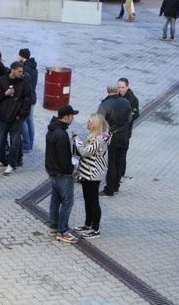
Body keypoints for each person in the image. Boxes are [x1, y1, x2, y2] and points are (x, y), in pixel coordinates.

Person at [72, 114, 111, 239]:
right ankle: (88, 224)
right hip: (86, 173)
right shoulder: (95, 137)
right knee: (87, 200)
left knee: (93, 201)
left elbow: (85, 152)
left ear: (94, 124)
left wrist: (75, 137)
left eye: (89, 121)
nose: (87, 123)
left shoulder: (99, 139)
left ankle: (95, 228)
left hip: (93, 175)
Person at [45, 104, 79, 243]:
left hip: (52, 171)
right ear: (66, 117)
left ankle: (54, 227)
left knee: (55, 199)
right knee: (67, 202)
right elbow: (64, 157)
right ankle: (63, 231)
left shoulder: (52, 129)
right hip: (62, 173)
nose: (73, 118)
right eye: (72, 116)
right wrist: (70, 171)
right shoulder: (62, 134)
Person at [0, 61, 32, 176]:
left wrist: (20, 115)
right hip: (4, 117)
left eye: (22, 71)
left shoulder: (24, 84)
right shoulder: (1, 81)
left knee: (14, 143)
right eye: (19, 71)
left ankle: (12, 164)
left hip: (16, 119)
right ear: (12, 70)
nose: (21, 73)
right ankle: (2, 160)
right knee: (1, 141)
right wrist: (6, 93)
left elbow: (27, 102)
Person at [98, 83, 132, 197]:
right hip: (124, 136)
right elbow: (129, 119)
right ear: (117, 90)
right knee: (120, 161)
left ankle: (109, 189)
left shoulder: (105, 105)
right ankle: (116, 186)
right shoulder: (126, 102)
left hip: (112, 137)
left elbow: (99, 123)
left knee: (111, 163)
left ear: (107, 90)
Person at [118, 77, 139, 179]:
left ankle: (120, 174)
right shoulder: (115, 96)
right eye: (119, 87)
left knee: (122, 154)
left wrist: (126, 118)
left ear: (127, 87)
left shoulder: (132, 99)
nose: (120, 89)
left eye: (122, 87)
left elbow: (136, 114)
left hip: (125, 131)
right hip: (115, 130)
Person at [19, 48, 38, 153]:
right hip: (33, 97)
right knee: (30, 121)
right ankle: (30, 143)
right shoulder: (34, 68)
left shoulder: (25, 68)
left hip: (27, 98)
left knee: (23, 121)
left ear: (22, 56)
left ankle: (26, 144)